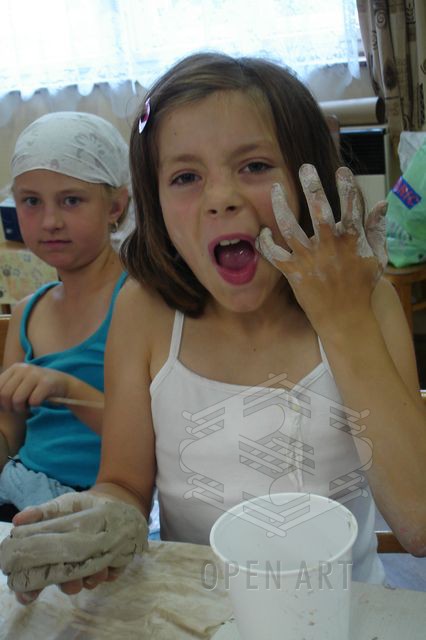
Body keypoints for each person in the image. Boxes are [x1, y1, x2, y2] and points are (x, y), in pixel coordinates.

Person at [1, 53, 425, 604]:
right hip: (195, 613)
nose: (221, 198)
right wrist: (102, 517)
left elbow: (418, 522)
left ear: (309, 179)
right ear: (154, 204)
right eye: (185, 177)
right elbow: (124, 483)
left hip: (344, 610)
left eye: (255, 166)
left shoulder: (366, 304)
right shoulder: (144, 311)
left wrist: (344, 321)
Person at [0, 111, 130, 517]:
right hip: (19, 491)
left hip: (101, 504)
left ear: (116, 205)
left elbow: (153, 439)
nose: (50, 221)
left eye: (71, 200)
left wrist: (64, 387)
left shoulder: (141, 304)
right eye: (31, 201)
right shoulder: (27, 313)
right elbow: (9, 432)